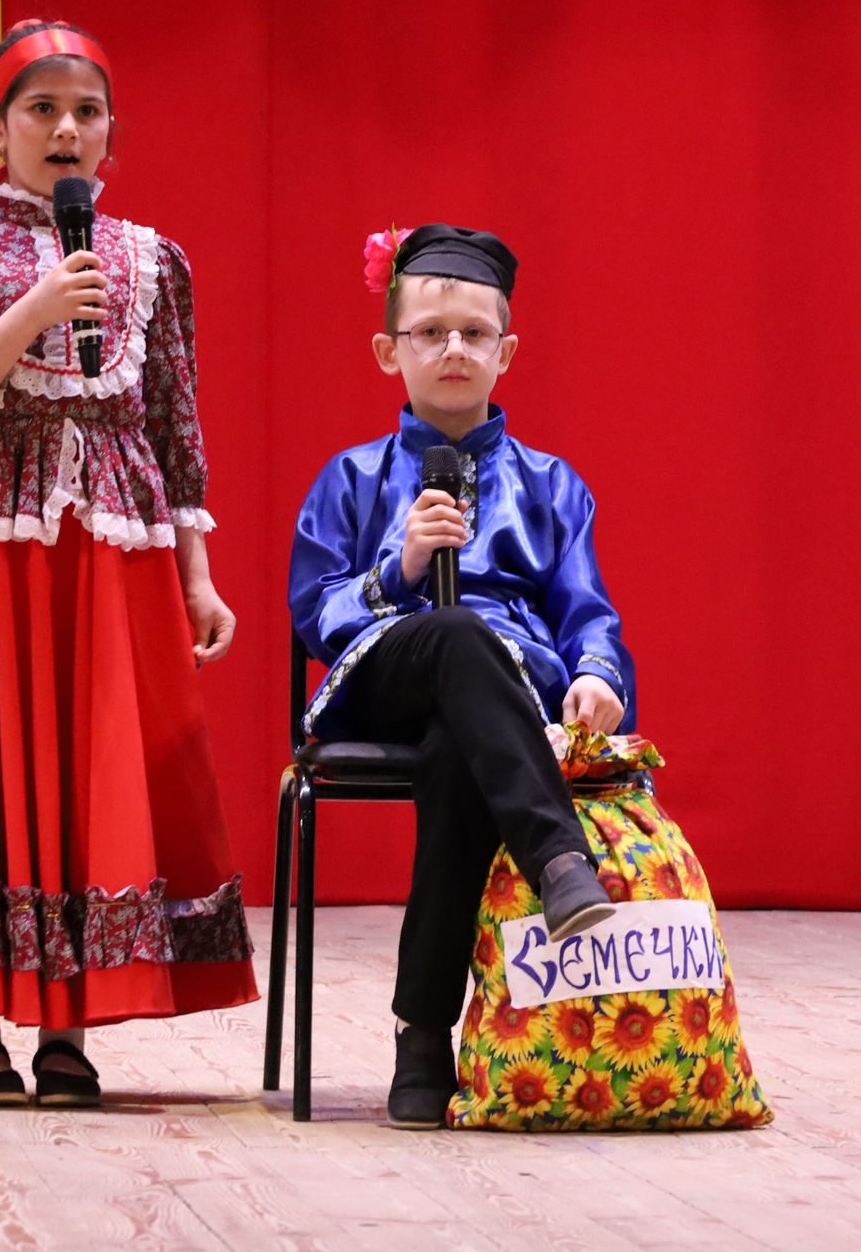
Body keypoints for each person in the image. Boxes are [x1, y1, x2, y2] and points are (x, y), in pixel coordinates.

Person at [0, 19, 254, 1106]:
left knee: (91, 764)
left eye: (85, 112)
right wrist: (30, 311)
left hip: (113, 541)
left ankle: (72, 1026)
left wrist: (197, 574)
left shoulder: (151, 257)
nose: (65, 129)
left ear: (112, 130)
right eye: (43, 110)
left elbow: (174, 428)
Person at [289, 222, 633, 1129]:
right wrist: (398, 567)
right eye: (431, 331)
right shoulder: (350, 477)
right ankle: (560, 856)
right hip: (384, 675)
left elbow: (588, 613)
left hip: (500, 706)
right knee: (452, 631)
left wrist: (598, 676)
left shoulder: (553, 486)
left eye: (475, 333)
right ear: (388, 350)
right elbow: (314, 612)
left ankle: (421, 1037)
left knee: (458, 748)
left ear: (505, 352)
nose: (453, 349)